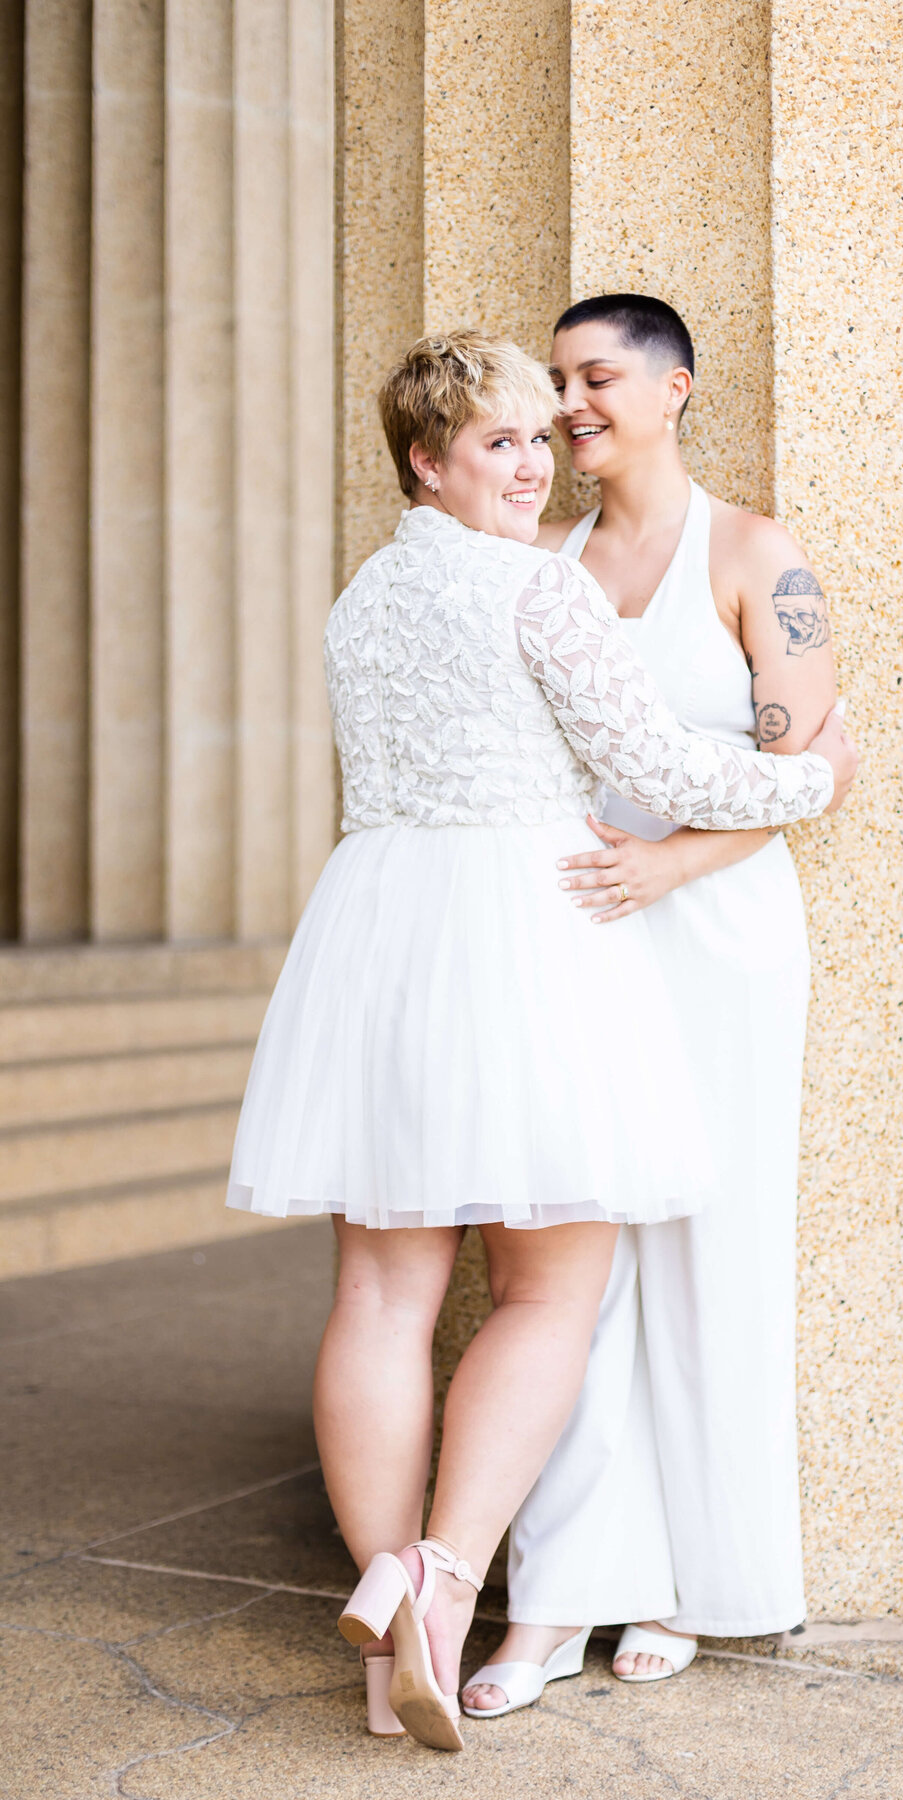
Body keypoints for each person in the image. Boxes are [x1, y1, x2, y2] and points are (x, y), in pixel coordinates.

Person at [225, 329, 858, 1751]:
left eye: (535, 437)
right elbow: (656, 766)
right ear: (426, 463)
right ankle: (445, 1579)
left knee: (384, 1296)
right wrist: (810, 773)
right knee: (549, 1295)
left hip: (379, 927)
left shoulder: (362, 599)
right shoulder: (540, 593)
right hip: (520, 929)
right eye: (496, 443)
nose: (530, 464)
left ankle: (384, 1613)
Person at [463, 295, 846, 1715]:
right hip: (574, 935)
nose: (571, 405)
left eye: (598, 376)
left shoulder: (756, 554)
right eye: (556, 382)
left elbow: (804, 765)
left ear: (674, 388)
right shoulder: (538, 558)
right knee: (579, 1261)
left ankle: (695, 1578)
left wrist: (666, 866)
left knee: (712, 1242)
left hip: (721, 935)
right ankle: (570, 1587)